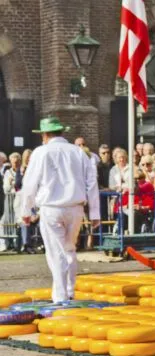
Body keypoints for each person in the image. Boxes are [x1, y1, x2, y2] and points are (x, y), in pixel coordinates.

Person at [18, 118, 100, 303]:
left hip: (51, 208)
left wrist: (26, 209)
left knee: (56, 252)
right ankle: (69, 291)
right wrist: (94, 212)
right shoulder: (78, 152)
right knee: (69, 249)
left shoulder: (41, 152)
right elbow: (92, 182)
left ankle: (61, 296)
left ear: (45, 135)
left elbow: (30, 182)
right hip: (75, 208)